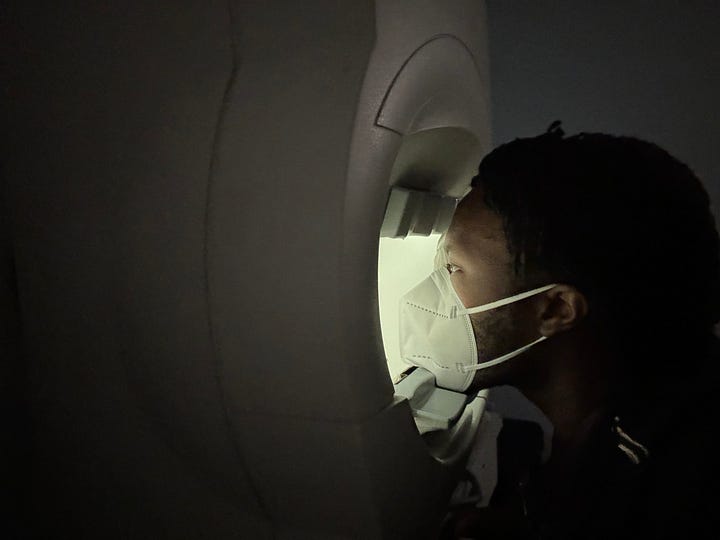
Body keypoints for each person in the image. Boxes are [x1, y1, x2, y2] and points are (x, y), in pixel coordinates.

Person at [401, 122, 720, 539]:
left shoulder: (675, 490)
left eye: (453, 268)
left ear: (555, 309)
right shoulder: (621, 412)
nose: (428, 290)